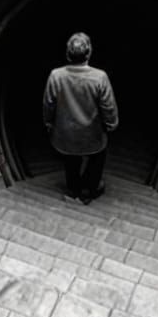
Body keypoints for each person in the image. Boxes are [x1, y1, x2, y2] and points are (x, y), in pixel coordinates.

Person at [42, 32, 118, 204]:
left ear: (68, 54)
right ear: (89, 53)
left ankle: (74, 189)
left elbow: (49, 104)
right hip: (92, 132)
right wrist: (111, 124)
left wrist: (48, 122)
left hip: (65, 131)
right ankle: (90, 190)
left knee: (71, 161)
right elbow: (108, 106)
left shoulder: (56, 75)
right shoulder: (100, 77)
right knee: (96, 158)